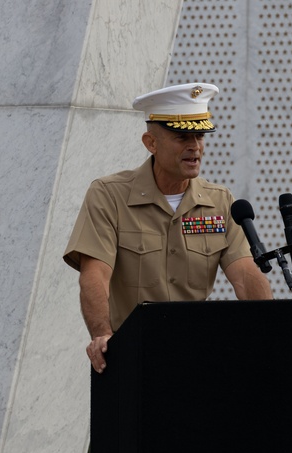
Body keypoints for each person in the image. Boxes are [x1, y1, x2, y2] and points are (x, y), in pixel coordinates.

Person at [62, 82, 273, 373]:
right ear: (151, 143)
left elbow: (245, 273)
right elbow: (94, 275)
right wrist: (101, 334)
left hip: (199, 359)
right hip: (133, 359)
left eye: (200, 135)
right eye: (182, 136)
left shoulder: (220, 202)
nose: (195, 146)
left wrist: (273, 331)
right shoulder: (109, 195)